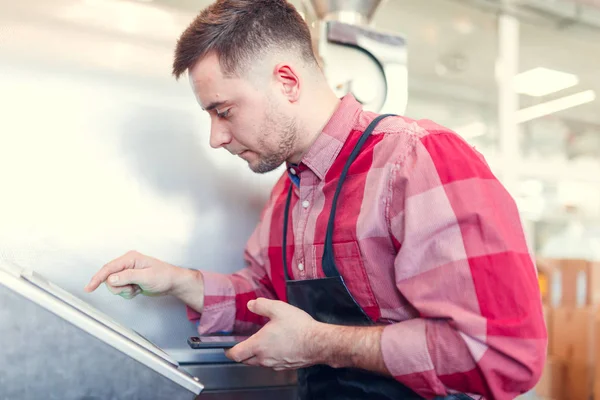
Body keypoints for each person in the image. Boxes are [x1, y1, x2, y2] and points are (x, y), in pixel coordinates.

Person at [84, 0, 547, 398]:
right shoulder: (291, 188)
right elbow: (267, 301)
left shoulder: (418, 159)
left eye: (224, 112)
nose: (216, 137)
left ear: (286, 81)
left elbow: (502, 354)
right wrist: (179, 281)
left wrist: (319, 343)